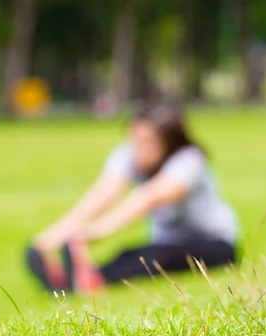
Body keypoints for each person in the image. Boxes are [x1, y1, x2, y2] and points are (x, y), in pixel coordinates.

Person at [25, 101, 239, 293]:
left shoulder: (189, 160)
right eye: (135, 140)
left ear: (168, 142)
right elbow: (102, 194)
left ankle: (92, 281)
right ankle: (75, 280)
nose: (139, 150)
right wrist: (51, 237)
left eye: (147, 142)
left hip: (216, 244)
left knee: (157, 257)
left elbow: (148, 198)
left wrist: (93, 232)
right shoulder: (130, 154)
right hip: (165, 243)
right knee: (131, 254)